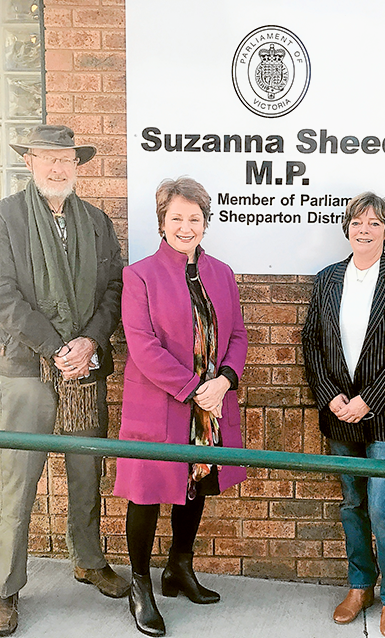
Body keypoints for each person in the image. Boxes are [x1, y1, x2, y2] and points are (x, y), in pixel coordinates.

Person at [0, 124, 127, 637]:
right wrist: (56, 346)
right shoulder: (6, 217)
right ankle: (3, 589)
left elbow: (114, 288)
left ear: (77, 164)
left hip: (85, 369)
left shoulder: (96, 222)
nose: (58, 168)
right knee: (18, 480)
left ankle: (88, 560)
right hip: (28, 369)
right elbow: (0, 294)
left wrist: (89, 342)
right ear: (30, 162)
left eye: (66, 159)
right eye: (47, 158)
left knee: (86, 470)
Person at [114, 177, 248, 637]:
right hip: (160, 405)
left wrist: (225, 381)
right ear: (162, 224)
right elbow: (143, 346)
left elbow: (236, 337)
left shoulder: (222, 273)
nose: (186, 226)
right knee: (147, 493)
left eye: (195, 218)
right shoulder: (140, 275)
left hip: (209, 406)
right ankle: (140, 585)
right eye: (177, 218)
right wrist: (196, 388)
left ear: (206, 223)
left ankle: (179, 568)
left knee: (196, 485)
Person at [301, 192, 385, 637]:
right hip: (338, 412)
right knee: (352, 502)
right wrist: (330, 395)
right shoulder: (329, 278)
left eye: (374, 223)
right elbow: (312, 342)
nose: (364, 229)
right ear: (347, 228)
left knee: (383, 505)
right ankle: (360, 585)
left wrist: (368, 398)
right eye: (357, 221)